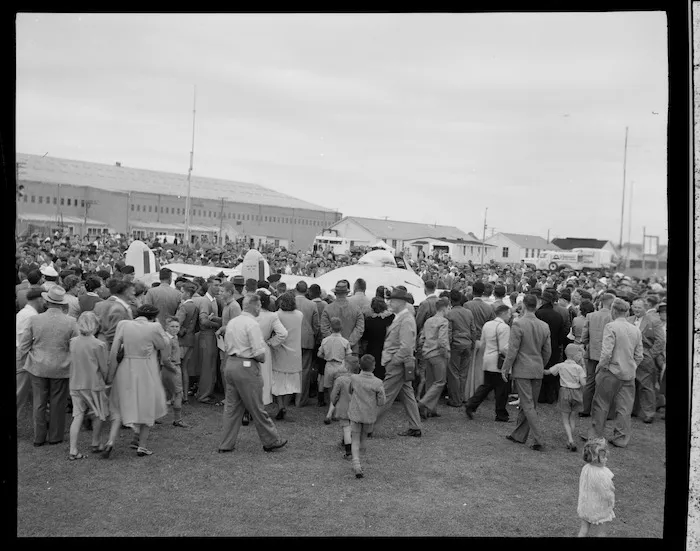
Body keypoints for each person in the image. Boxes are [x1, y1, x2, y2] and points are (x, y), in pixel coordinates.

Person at [218, 294, 288, 454]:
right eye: (258, 306)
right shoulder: (252, 324)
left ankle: (226, 444)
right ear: (255, 306)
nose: (260, 309)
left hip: (231, 364)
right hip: (247, 366)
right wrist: (263, 355)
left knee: (231, 407)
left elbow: (227, 345)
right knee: (257, 406)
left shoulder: (233, 322)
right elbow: (259, 353)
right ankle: (271, 440)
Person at [104, 304, 171, 458]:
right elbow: (163, 344)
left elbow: (115, 349)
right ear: (154, 316)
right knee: (146, 406)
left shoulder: (124, 324)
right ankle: (142, 446)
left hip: (125, 367)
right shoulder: (154, 327)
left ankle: (110, 442)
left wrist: (111, 371)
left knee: (120, 404)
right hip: (145, 368)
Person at [18, 286, 79, 446]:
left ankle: (39, 437)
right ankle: (55, 436)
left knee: (39, 402)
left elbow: (23, 345)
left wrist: (24, 361)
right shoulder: (71, 321)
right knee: (58, 402)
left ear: (47, 301)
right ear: (62, 303)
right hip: (61, 366)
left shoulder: (35, 319)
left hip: (38, 366)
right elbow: (76, 345)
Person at [584, 298, 643, 448]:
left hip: (611, 371)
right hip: (628, 373)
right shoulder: (635, 329)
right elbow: (639, 355)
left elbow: (606, 353)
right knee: (624, 408)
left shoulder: (611, 326)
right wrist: (632, 366)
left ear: (613, 311)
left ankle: (596, 436)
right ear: (627, 311)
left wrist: (599, 368)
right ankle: (621, 438)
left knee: (601, 404)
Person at [502, 294, 552, 451]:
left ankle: (539, 439)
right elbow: (547, 351)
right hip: (536, 368)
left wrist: (505, 367)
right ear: (536, 306)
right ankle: (519, 435)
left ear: (523, 305)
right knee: (529, 404)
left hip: (523, 369)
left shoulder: (518, 324)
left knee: (528, 405)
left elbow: (512, 350)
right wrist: (540, 364)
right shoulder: (544, 326)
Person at [373, 288, 423, 437]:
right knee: (407, 394)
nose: (390, 302)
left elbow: (406, 347)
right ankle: (415, 426)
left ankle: (368, 425)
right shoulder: (400, 317)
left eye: (392, 300)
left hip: (398, 363)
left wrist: (394, 361)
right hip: (400, 363)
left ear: (401, 302)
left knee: (386, 395)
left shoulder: (405, 319)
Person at [67, 312, 110, 459]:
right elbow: (103, 368)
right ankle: (96, 442)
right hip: (93, 384)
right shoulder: (99, 344)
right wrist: (106, 380)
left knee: (77, 416)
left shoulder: (73, 341)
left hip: (75, 383)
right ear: (95, 325)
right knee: (99, 414)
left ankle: (73, 449)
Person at [464, 303, 511, 422]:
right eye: (509, 314)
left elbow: (483, 342)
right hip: (498, 360)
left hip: (487, 358)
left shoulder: (487, 325)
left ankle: (472, 404)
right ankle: (501, 413)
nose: (510, 316)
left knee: (486, 386)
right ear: (504, 314)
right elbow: (504, 348)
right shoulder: (504, 328)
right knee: (502, 388)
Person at [348, 354, 387, 478]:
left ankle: (356, 463)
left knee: (354, 438)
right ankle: (360, 455)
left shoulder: (354, 378)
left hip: (355, 413)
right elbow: (382, 401)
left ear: (360, 365)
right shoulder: (378, 382)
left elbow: (350, 390)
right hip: (369, 415)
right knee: (363, 437)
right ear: (374, 367)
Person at [627, 299, 666, 424]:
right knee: (631, 384)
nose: (636, 310)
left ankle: (649, 413)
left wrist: (650, 354)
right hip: (629, 357)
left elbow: (660, 341)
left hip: (645, 358)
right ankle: (633, 410)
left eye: (639, 307)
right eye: (635, 307)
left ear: (645, 308)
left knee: (646, 386)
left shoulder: (654, 320)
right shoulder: (629, 320)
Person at [544, 344, 587, 451]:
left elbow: (548, 372)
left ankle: (570, 440)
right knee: (572, 418)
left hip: (564, 392)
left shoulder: (561, 365)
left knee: (565, 419)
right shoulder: (579, 368)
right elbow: (583, 383)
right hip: (576, 393)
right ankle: (570, 440)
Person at [580, 293, 614, 417]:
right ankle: (604, 412)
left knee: (590, 382)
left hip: (592, 352)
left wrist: (588, 345)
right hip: (607, 354)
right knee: (605, 383)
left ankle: (585, 409)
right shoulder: (612, 318)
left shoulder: (590, 316)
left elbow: (584, 336)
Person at [320, 281, 364, 375]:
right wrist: (348, 342)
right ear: (347, 293)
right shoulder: (356, 309)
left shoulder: (328, 309)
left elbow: (324, 329)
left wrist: (335, 342)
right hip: (352, 351)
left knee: (333, 382)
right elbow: (360, 328)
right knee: (350, 381)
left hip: (333, 353)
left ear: (335, 293)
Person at [272, 292, 303, 421]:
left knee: (277, 381)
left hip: (280, 351)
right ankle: (285, 405)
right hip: (295, 352)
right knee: (291, 383)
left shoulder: (277, 315)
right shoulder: (299, 315)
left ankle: (280, 406)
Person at [416, 298, 450, 419]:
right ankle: (423, 403)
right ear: (445, 308)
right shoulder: (444, 322)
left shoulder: (428, 321)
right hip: (438, 354)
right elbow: (442, 340)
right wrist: (446, 352)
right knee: (440, 381)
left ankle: (430, 409)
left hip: (427, 353)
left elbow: (421, 338)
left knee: (430, 382)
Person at [255, 290, 288, 408]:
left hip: (248, 347)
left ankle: (247, 407)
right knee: (263, 377)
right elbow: (283, 334)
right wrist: (270, 342)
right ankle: (260, 405)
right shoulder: (271, 316)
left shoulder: (248, 315)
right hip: (263, 348)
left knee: (248, 376)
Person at [464, 281, 496, 402]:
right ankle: (480, 393)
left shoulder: (467, 305)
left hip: (471, 338)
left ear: (473, 291)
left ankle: (468, 393)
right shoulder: (488, 307)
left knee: (469, 368)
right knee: (480, 368)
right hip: (483, 338)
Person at [445, 289, 478, 407]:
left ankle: (456, 399)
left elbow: (448, 332)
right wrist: (473, 343)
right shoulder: (468, 312)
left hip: (455, 345)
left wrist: (447, 346)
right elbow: (473, 330)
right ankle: (462, 396)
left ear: (450, 301)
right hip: (467, 344)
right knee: (463, 373)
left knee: (454, 373)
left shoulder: (449, 314)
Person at [578, 438, 616, 537]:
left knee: (584, 529)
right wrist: (611, 502)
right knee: (601, 532)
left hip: (585, 506)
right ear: (595, 458)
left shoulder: (586, 468)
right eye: (603, 457)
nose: (606, 459)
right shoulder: (601, 473)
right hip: (599, 508)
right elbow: (607, 491)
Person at [16, 288, 45, 418]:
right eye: (44, 299)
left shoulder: (23, 312)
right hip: (22, 356)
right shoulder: (31, 316)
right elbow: (24, 341)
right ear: (39, 299)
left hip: (20, 353)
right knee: (19, 393)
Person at [535, 289, 567, 404]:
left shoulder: (538, 313)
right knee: (551, 370)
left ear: (543, 301)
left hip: (540, 345)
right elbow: (562, 333)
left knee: (541, 368)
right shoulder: (557, 315)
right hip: (553, 345)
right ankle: (550, 396)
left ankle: (540, 395)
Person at [319, 317, 353, 424]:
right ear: (341, 328)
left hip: (329, 365)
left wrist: (326, 356)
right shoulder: (345, 341)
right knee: (340, 389)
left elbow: (319, 354)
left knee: (330, 390)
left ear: (330, 328)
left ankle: (331, 411)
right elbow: (349, 355)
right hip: (341, 366)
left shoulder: (325, 340)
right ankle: (335, 412)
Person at [196, 278, 223, 405]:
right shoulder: (206, 301)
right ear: (209, 286)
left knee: (211, 365)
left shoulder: (213, 300)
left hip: (210, 336)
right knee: (207, 365)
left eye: (219, 285)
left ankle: (207, 392)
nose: (218, 287)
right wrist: (217, 325)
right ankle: (203, 395)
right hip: (207, 336)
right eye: (216, 285)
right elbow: (203, 321)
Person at [294, 281, 320, 408]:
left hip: (292, 340)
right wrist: (312, 335)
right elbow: (316, 325)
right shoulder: (312, 304)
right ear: (307, 291)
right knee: (304, 370)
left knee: (291, 369)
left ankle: (289, 398)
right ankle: (300, 400)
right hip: (307, 340)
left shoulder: (290, 302)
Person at [161, 316, 189, 428]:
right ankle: (178, 419)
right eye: (172, 326)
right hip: (172, 367)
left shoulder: (173, 337)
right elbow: (165, 359)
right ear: (166, 327)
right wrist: (174, 369)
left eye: (177, 326)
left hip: (165, 369)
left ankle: (155, 417)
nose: (175, 329)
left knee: (165, 394)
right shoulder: (168, 340)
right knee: (178, 393)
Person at [329, 359, 359, 459]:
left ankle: (348, 452)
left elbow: (334, 395)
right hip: (357, 408)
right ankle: (352, 444)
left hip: (344, 408)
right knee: (353, 427)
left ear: (347, 367)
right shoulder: (359, 380)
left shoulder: (340, 380)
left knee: (346, 429)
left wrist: (333, 402)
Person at [93, 279, 134, 350]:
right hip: (112, 350)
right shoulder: (119, 309)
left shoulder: (99, 305)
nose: (134, 293)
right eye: (132, 291)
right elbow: (113, 335)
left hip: (101, 346)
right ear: (126, 292)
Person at [361, 297, 394, 381]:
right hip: (388, 349)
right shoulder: (391, 318)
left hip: (373, 349)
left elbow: (365, 337)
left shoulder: (369, 321)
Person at [176, 283, 200, 402]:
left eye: (181, 292)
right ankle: (185, 395)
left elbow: (177, 324)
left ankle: (179, 395)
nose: (181, 294)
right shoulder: (195, 306)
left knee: (178, 368)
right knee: (184, 368)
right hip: (191, 339)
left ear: (186, 293)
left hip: (181, 340)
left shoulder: (183, 307)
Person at [309, 283, 328, 405]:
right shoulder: (325, 305)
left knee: (311, 364)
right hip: (323, 339)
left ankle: (311, 387)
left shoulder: (310, 304)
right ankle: (319, 388)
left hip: (312, 337)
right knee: (320, 366)